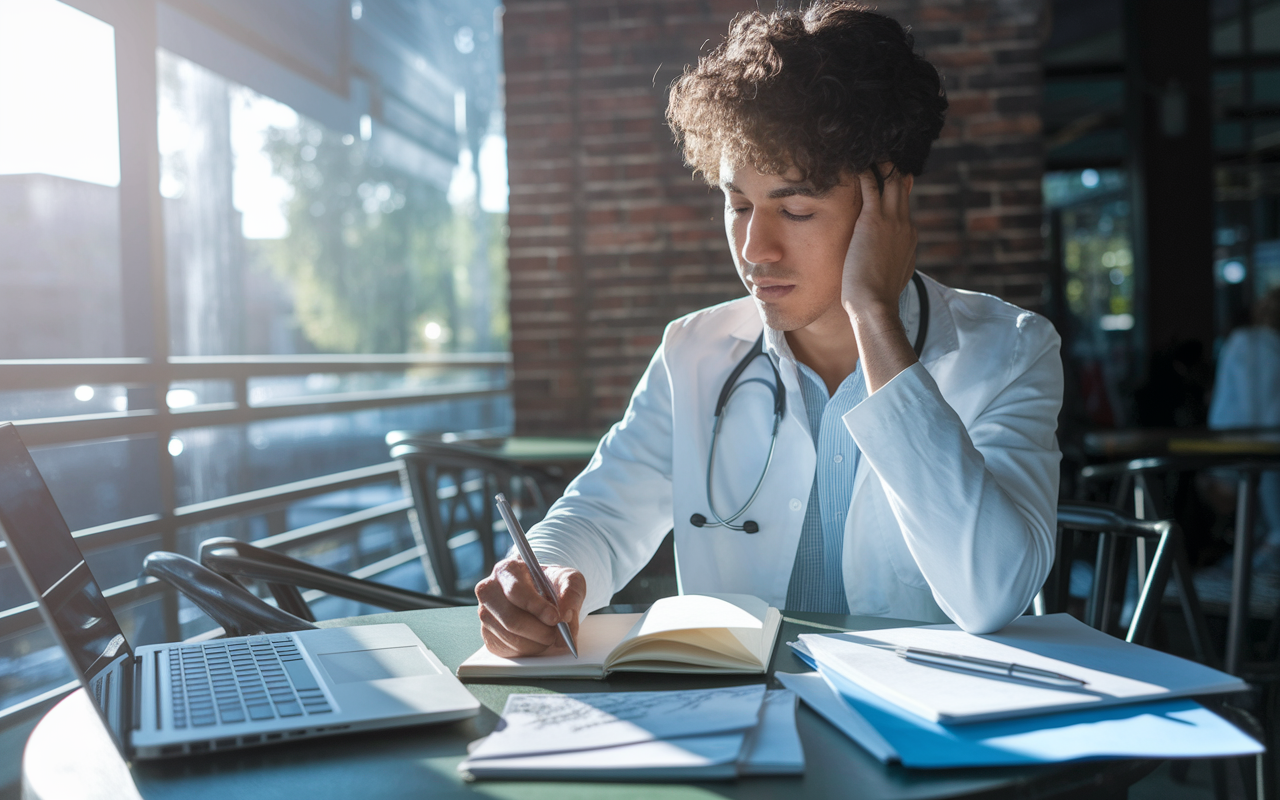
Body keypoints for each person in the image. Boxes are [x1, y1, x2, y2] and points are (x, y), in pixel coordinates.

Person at [475, 1, 1064, 657]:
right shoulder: (694, 353)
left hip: (920, 741)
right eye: (738, 204)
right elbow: (601, 514)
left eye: (796, 209)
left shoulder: (1011, 352)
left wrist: (874, 314)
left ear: (888, 198)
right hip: (738, 729)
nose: (755, 247)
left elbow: (990, 593)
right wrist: (544, 571)